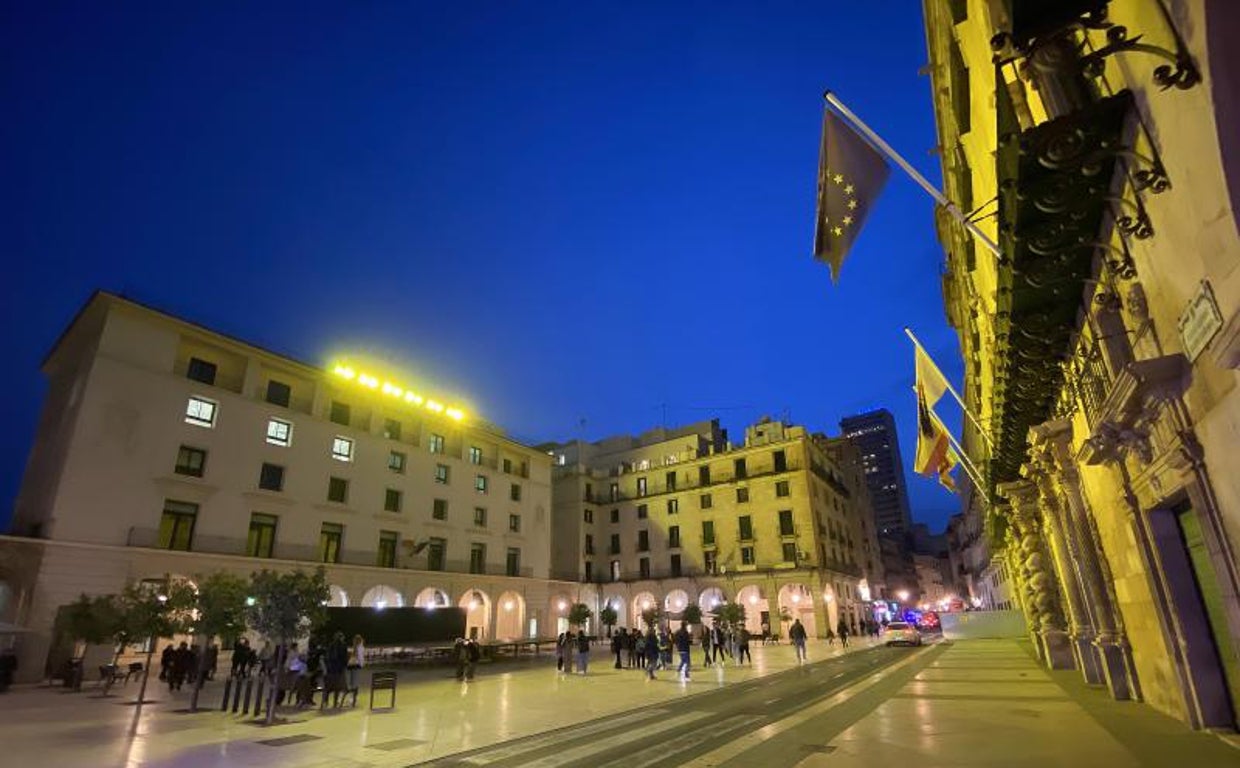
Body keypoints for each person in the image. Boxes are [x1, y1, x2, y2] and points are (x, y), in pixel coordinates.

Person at [323, 632, 349, 708]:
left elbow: (327, 657)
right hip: (339, 669)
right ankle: (335, 702)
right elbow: (344, 657)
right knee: (338, 686)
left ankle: (325, 702)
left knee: (328, 686)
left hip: (331, 669)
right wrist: (345, 664)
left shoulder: (331, 645)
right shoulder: (342, 645)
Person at [347, 634, 365, 706]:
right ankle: (354, 698)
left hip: (353, 666)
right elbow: (360, 658)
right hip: (356, 666)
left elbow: (357, 657)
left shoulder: (358, 648)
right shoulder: (360, 647)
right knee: (354, 683)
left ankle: (353, 698)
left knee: (353, 683)